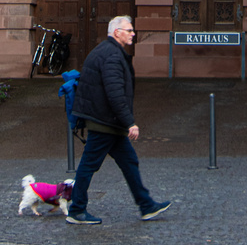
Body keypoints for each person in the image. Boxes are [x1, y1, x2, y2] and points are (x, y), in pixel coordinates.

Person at [66, 15, 171, 225]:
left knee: (128, 161)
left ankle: (146, 205)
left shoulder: (108, 51)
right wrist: (129, 122)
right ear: (117, 32)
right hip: (104, 122)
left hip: (107, 121)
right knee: (89, 165)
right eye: (129, 30)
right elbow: (115, 93)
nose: (133, 33)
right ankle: (76, 210)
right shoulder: (112, 55)